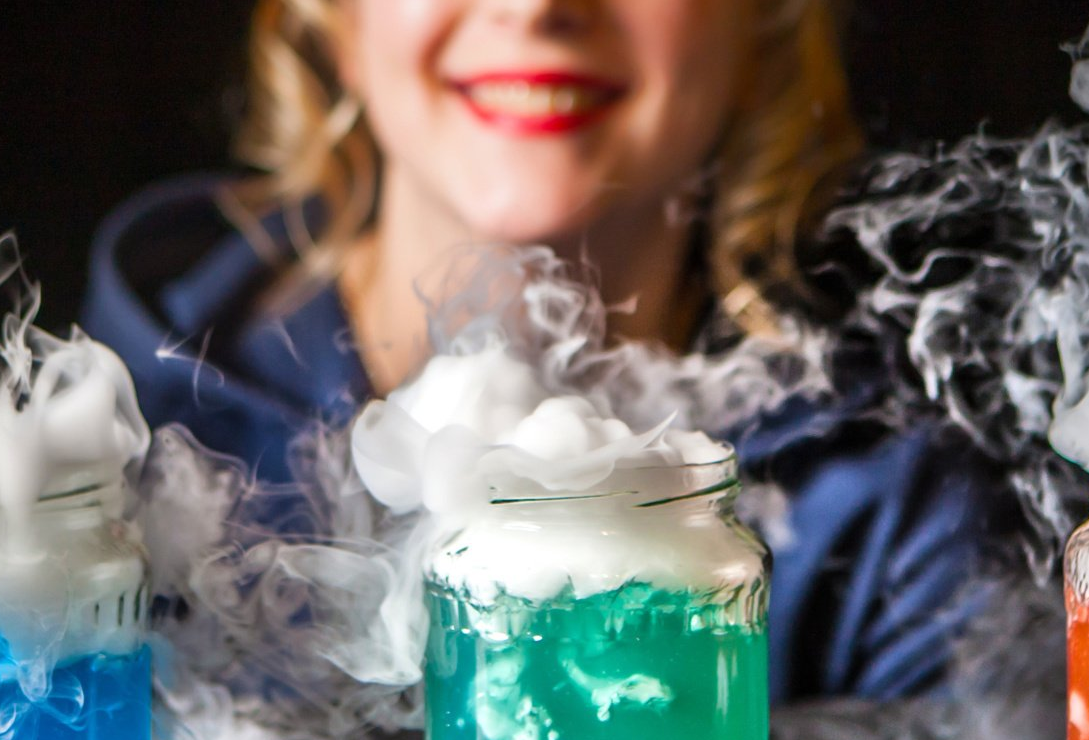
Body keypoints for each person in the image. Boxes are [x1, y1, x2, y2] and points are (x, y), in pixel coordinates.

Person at [82, 0, 991, 699]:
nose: (536, 8)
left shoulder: (893, 498)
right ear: (338, 21)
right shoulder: (114, 437)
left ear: (763, 22)